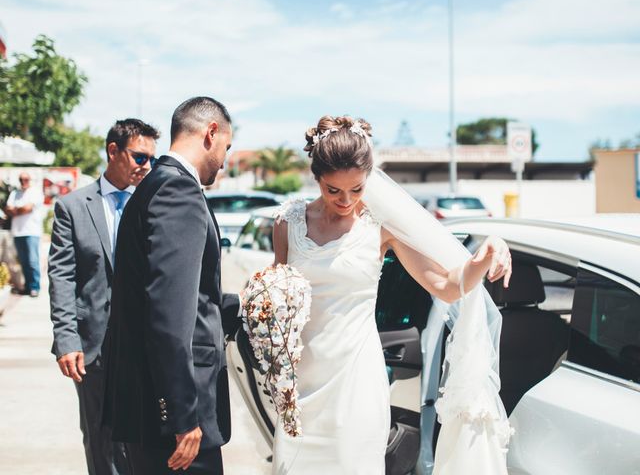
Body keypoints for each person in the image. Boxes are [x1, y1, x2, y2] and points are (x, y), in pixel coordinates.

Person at [271, 115, 513, 474]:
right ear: (316, 178)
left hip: (357, 383)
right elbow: (279, 295)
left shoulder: (379, 225)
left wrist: (486, 253)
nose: (346, 200)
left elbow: (445, 285)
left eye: (357, 189)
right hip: (300, 383)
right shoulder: (286, 224)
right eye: (333, 190)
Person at [102, 96, 240, 475]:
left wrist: (244, 307)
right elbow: (168, 312)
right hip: (175, 420)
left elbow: (177, 293)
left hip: (149, 406)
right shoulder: (179, 193)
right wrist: (181, 415)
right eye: (227, 147)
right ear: (211, 133)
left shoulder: (153, 186)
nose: (225, 161)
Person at [48, 118, 160, 475]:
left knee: (144, 439)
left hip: (144, 344)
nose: (147, 167)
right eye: (141, 158)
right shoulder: (73, 207)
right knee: (100, 438)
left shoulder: (155, 204)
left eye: (152, 160)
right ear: (113, 151)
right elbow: (62, 275)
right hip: (94, 346)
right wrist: (66, 339)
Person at [5, 172, 44, 297]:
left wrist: (16, 210)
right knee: (23, 261)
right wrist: (19, 210)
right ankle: (27, 286)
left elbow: (28, 208)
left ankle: (35, 287)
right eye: (21, 179)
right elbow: (8, 209)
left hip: (31, 231)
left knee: (32, 261)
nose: (23, 181)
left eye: (26, 179)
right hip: (18, 232)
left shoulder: (35, 192)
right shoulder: (15, 193)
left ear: (30, 179)